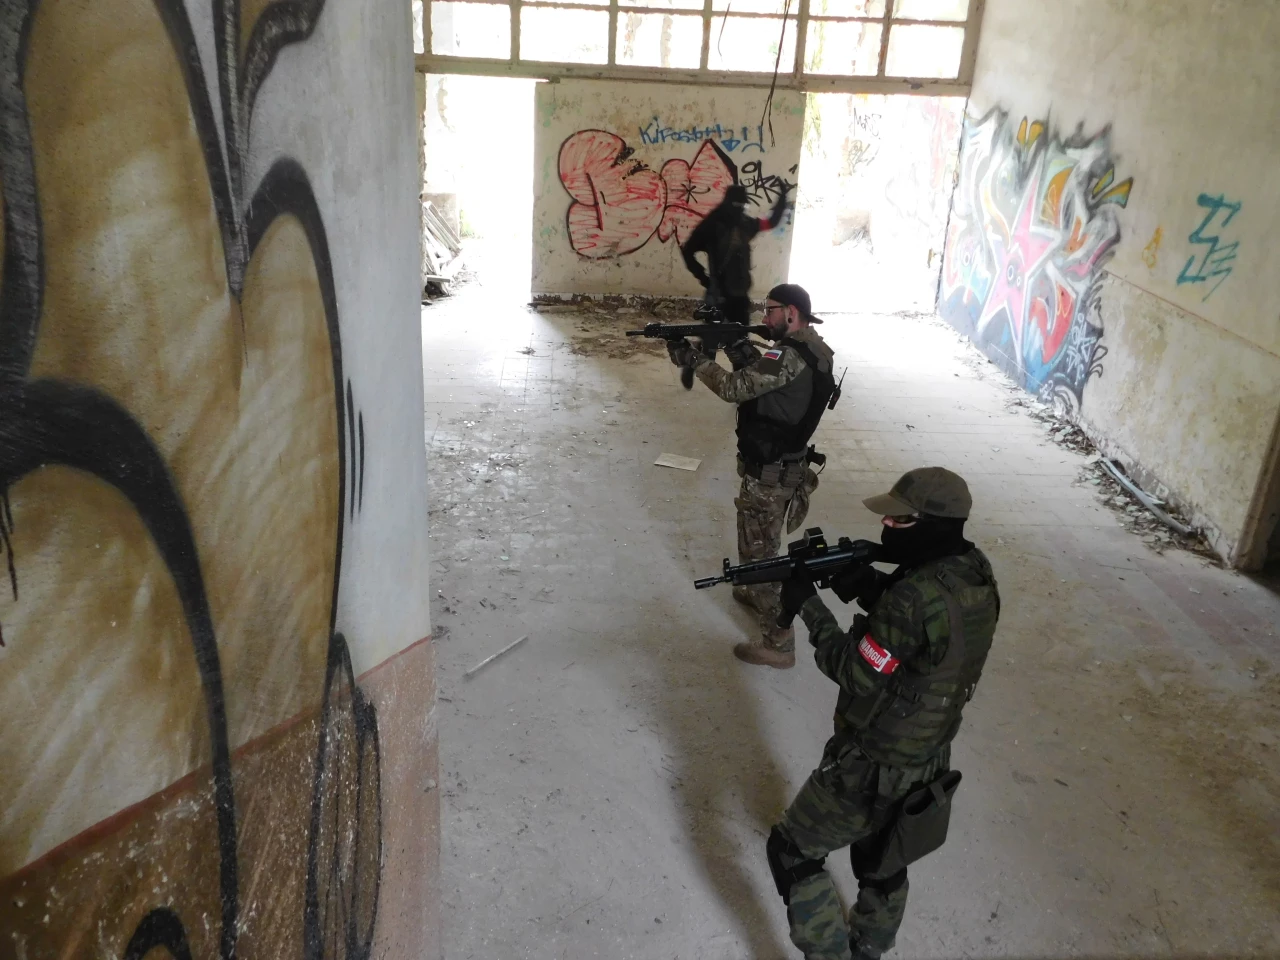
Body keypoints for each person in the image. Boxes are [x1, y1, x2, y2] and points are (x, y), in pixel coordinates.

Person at [766, 467, 1001, 960]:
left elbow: (854, 672)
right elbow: (933, 635)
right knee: (884, 859)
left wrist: (808, 605)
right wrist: (871, 587)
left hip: (872, 765)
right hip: (930, 755)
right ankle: (869, 946)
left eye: (900, 521)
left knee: (790, 851)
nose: (886, 526)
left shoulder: (913, 597)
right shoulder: (974, 570)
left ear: (934, 525)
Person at [668, 283, 835, 668]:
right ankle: (750, 586)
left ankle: (779, 644)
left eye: (770, 309)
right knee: (754, 541)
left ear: (791, 313)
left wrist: (692, 358)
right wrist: (738, 348)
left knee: (763, 557)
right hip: (782, 466)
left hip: (771, 475)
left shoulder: (788, 355)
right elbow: (769, 377)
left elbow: (734, 388)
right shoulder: (812, 348)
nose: (764, 316)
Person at [681, 184, 791, 325]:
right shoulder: (713, 225)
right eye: (738, 205)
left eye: (743, 205)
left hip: (739, 296)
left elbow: (770, 222)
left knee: (739, 335)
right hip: (719, 296)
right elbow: (688, 250)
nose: (740, 209)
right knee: (715, 336)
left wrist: (782, 199)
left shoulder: (743, 223)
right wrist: (704, 278)